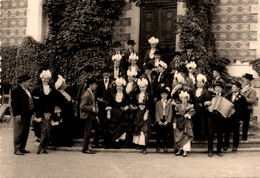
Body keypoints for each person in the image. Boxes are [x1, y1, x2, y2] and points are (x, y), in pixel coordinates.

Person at [32, 70, 58, 154]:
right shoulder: (37, 89)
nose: (45, 80)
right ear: (41, 78)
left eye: (47, 79)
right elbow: (34, 101)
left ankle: (45, 147)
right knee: (41, 131)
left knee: (48, 131)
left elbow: (54, 100)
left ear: (49, 79)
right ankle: (40, 148)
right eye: (44, 78)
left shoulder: (52, 89)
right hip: (40, 112)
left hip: (50, 112)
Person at [11, 74, 34, 155]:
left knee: (25, 131)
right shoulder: (16, 91)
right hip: (20, 114)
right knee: (18, 131)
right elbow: (14, 104)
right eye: (28, 81)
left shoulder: (28, 90)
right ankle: (17, 149)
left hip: (28, 114)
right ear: (23, 82)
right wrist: (17, 114)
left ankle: (22, 148)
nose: (29, 83)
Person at [224, 81, 247, 152]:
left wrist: (241, 119)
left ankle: (235, 145)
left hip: (237, 117)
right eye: (232, 87)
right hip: (228, 117)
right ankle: (226, 145)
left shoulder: (242, 98)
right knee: (227, 131)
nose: (232, 88)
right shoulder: (228, 96)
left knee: (236, 132)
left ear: (238, 88)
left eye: (234, 87)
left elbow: (244, 109)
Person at [105, 77, 129, 148]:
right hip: (113, 114)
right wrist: (108, 113)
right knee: (110, 126)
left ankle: (117, 143)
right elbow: (109, 104)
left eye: (120, 86)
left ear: (123, 87)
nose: (119, 88)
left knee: (121, 128)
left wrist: (125, 107)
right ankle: (110, 143)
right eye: (118, 86)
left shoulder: (125, 96)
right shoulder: (113, 95)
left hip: (121, 114)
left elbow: (128, 104)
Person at [204, 81, 226, 157]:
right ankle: (210, 150)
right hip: (211, 117)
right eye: (216, 88)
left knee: (220, 133)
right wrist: (206, 104)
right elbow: (205, 105)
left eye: (219, 88)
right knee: (210, 133)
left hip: (220, 117)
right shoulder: (210, 96)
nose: (217, 89)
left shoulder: (225, 97)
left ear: (222, 89)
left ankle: (219, 150)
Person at [53, 75, 75, 147]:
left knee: (68, 126)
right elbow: (60, 104)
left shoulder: (64, 92)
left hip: (69, 113)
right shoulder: (58, 93)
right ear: (61, 85)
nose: (66, 84)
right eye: (64, 83)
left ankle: (68, 141)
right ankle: (63, 142)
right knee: (63, 127)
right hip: (64, 113)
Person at [173, 91, 195, 157]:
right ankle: (179, 149)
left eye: (185, 98)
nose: (184, 100)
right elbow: (175, 115)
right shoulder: (177, 106)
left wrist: (188, 114)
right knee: (178, 135)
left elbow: (193, 112)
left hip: (187, 123)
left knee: (186, 135)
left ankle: (185, 150)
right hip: (179, 122)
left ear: (187, 99)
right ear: (180, 99)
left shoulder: (190, 106)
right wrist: (174, 122)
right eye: (182, 98)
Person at [76, 64, 95, 138]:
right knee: (81, 117)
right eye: (85, 72)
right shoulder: (83, 80)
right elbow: (80, 90)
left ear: (90, 72)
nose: (86, 74)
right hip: (82, 100)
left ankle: (88, 134)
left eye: (87, 72)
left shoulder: (94, 80)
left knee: (88, 119)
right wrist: (78, 99)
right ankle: (81, 133)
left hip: (89, 101)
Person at [132, 78, 151, 154]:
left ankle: (144, 147)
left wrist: (146, 112)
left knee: (144, 129)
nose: (142, 88)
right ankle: (139, 144)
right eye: (141, 87)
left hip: (145, 113)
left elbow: (150, 105)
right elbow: (134, 103)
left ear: (146, 87)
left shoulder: (148, 95)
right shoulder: (137, 95)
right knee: (138, 128)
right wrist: (136, 107)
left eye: (144, 87)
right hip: (138, 113)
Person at [96, 68, 114, 148]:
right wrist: (98, 99)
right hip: (101, 105)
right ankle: (96, 142)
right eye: (104, 73)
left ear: (109, 74)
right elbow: (96, 93)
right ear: (102, 74)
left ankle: (107, 142)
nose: (106, 74)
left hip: (110, 105)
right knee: (100, 123)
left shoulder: (113, 82)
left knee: (108, 123)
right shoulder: (99, 82)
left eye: (107, 73)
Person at [80, 77, 99, 154]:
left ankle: (92, 145)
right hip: (88, 116)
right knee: (87, 132)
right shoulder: (87, 94)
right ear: (90, 85)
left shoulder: (91, 93)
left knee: (98, 127)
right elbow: (82, 107)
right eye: (95, 84)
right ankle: (85, 148)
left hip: (92, 116)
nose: (96, 86)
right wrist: (92, 109)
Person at [191, 74, 209, 140]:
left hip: (202, 109)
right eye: (198, 82)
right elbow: (192, 99)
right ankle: (196, 135)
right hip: (195, 108)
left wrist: (202, 103)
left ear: (204, 83)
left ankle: (202, 135)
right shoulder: (194, 91)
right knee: (195, 121)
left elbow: (206, 100)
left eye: (200, 82)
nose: (199, 83)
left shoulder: (205, 91)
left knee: (202, 122)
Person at [155, 87, 172, 153]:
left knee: (165, 132)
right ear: (161, 95)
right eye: (163, 94)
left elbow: (170, 113)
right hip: (160, 118)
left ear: (167, 95)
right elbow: (156, 112)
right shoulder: (158, 103)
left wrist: (167, 121)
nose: (164, 96)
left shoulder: (169, 103)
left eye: (165, 94)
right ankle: (158, 145)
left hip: (166, 119)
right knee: (159, 132)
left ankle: (165, 145)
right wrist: (158, 120)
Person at [241, 73, 258, 140]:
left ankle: (244, 136)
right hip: (241, 107)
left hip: (247, 108)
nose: (244, 80)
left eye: (245, 79)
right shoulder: (242, 87)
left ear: (249, 81)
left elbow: (253, 100)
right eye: (244, 78)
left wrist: (244, 98)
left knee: (245, 123)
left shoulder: (252, 90)